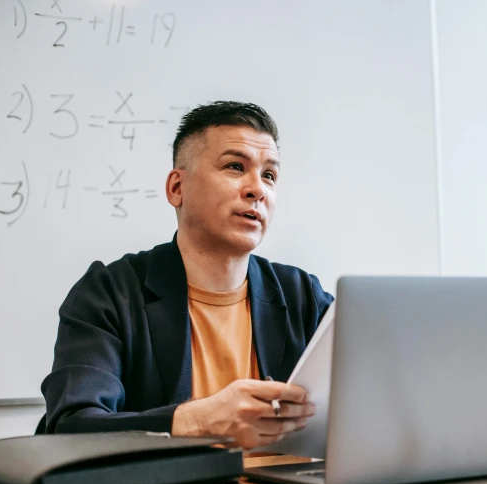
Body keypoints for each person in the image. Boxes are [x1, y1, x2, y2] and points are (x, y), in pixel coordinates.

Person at [40, 101, 331, 450]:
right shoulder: (109, 293)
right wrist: (196, 421)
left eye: (269, 175)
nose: (258, 189)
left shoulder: (302, 295)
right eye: (235, 167)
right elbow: (70, 429)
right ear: (177, 188)